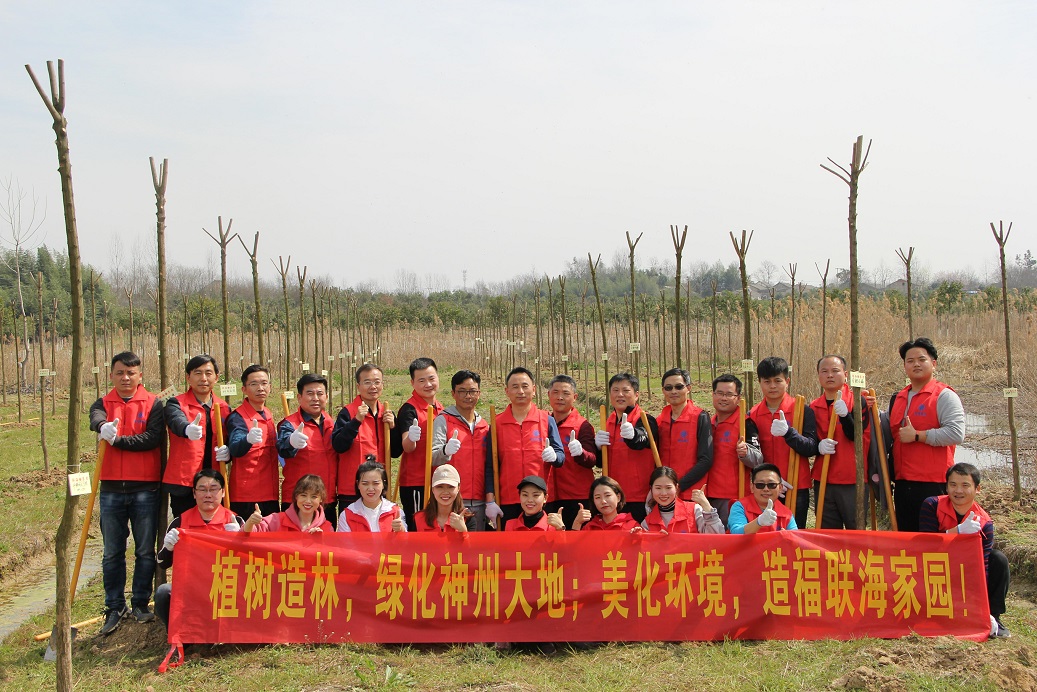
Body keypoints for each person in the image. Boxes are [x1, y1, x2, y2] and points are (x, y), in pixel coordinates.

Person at [89, 351, 164, 635]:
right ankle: (114, 606)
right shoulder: (102, 403)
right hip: (110, 488)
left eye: (131, 373)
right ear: (111, 375)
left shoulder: (153, 403)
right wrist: (102, 426)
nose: (125, 378)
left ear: (140, 375)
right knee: (112, 552)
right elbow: (95, 417)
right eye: (120, 373)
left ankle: (140, 603)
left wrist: (117, 440)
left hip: (145, 487)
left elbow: (151, 438)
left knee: (144, 550)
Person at [918, 462, 1011, 638]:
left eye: (965, 485)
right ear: (946, 487)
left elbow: (982, 565)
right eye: (953, 485)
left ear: (977, 489)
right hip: (935, 567)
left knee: (998, 559)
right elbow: (925, 546)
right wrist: (956, 532)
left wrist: (981, 607)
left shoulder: (984, 522)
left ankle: (993, 615)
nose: (958, 491)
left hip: (965, 570)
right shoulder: (931, 505)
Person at [888, 337, 965, 532]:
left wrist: (918, 435)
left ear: (934, 363)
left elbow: (956, 433)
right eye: (910, 361)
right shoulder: (898, 397)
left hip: (933, 483)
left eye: (922, 359)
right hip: (903, 482)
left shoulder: (944, 395)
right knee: (907, 538)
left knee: (933, 538)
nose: (916, 364)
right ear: (904, 366)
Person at [155, 469, 244, 627]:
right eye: (202, 489)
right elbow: (162, 563)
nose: (208, 495)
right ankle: (179, 635)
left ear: (223, 492)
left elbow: (251, 564)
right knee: (163, 593)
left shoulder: (234, 521)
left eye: (213, 489)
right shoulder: (180, 522)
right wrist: (169, 547)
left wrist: (241, 541)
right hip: (191, 589)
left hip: (225, 588)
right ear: (194, 493)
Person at [748, 357, 817, 529]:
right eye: (767, 381)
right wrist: (773, 481)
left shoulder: (802, 410)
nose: (772, 386)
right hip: (765, 487)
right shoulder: (752, 415)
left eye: (777, 381)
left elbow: (811, 447)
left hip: (796, 486)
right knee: (766, 533)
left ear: (787, 381)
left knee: (795, 533)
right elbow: (753, 454)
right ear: (760, 383)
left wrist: (789, 433)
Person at [490, 367, 565, 524]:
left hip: (541, 498)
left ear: (534, 390)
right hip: (509, 498)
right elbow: (490, 465)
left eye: (525, 386)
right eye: (515, 387)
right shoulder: (497, 423)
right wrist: (490, 500)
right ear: (507, 391)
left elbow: (560, 457)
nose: (520, 391)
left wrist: (554, 456)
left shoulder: (547, 420)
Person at [162, 355, 231, 518]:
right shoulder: (176, 403)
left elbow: (229, 438)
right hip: (184, 482)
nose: (203, 378)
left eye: (208, 373)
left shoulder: (224, 407)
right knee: (185, 525)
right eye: (198, 373)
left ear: (216, 377)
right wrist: (187, 429)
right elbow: (176, 421)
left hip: (214, 481)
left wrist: (229, 452)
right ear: (188, 377)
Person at [810, 355, 872, 530]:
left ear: (845, 374)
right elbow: (810, 441)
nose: (830, 375)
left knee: (856, 530)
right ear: (818, 375)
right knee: (828, 533)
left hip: (853, 479)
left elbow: (856, 436)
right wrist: (818, 447)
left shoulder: (857, 401)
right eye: (824, 371)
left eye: (835, 371)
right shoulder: (814, 406)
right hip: (824, 478)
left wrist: (845, 416)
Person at [431, 370, 494, 530]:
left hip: (479, 501)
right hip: (451, 500)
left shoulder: (484, 426)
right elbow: (432, 457)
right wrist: (445, 451)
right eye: (462, 391)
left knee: (476, 544)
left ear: (479, 393)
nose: (468, 396)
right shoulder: (443, 420)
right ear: (453, 393)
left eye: (472, 391)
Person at [593, 372, 659, 524]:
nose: (620, 395)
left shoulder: (645, 419)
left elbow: (642, 439)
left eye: (626, 390)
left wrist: (633, 435)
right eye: (615, 390)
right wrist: (597, 447)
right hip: (613, 498)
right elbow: (601, 462)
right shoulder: (607, 422)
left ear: (636, 395)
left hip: (639, 497)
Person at [391, 358, 445, 531]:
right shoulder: (409, 409)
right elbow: (407, 446)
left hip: (437, 480)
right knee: (418, 527)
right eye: (421, 380)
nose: (428, 384)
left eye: (431, 378)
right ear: (412, 383)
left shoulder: (441, 408)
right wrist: (412, 438)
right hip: (416, 482)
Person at [277, 373, 338, 525]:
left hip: (326, 500)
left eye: (320, 393)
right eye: (310, 393)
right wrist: (291, 442)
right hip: (298, 502)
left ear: (326, 397)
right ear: (299, 397)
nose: (315, 398)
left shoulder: (332, 423)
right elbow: (283, 448)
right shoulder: (290, 424)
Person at [332, 364, 395, 509]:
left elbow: (396, 451)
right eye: (367, 382)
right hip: (352, 490)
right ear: (358, 386)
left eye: (377, 382)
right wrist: (356, 421)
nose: (373, 386)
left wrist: (393, 428)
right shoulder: (348, 412)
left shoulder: (386, 413)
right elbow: (338, 445)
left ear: (382, 385)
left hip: (379, 488)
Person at [226, 364, 281, 520]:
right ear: (244, 389)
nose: (260, 388)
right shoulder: (238, 417)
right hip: (247, 495)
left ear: (270, 387)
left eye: (264, 383)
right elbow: (235, 447)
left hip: (270, 492)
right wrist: (247, 439)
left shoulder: (268, 413)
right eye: (254, 384)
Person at [707, 374, 763, 527]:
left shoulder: (745, 424)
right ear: (713, 395)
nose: (723, 398)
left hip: (732, 497)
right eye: (719, 393)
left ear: (738, 398)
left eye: (729, 394)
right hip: (707, 494)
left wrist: (746, 453)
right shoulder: (708, 423)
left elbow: (758, 459)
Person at [544, 375, 598, 529]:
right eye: (555, 392)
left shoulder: (582, 425)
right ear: (548, 395)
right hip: (549, 495)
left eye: (566, 393)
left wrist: (581, 453)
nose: (560, 397)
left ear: (575, 397)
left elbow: (592, 459)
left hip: (576, 496)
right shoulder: (542, 423)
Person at [659, 368, 713, 499]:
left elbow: (706, 460)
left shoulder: (700, 417)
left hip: (692, 494)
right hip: (664, 494)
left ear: (688, 388)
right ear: (663, 391)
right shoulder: (659, 421)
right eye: (668, 388)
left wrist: (680, 485)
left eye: (679, 387)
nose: (673, 391)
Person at [637, 466, 724, 534]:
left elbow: (717, 537)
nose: (663, 493)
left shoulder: (694, 510)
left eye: (668, 488)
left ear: (676, 487)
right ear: (651, 489)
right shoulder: (647, 522)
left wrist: (706, 505)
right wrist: (637, 538)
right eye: (658, 488)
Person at [244, 473, 333, 533]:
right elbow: (247, 535)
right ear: (296, 496)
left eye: (314, 497)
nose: (308, 501)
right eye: (303, 495)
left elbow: (332, 553)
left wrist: (320, 541)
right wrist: (251, 522)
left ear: (321, 499)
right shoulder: (276, 520)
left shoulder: (327, 528)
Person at [729, 463, 799, 534]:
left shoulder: (786, 514)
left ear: (780, 488)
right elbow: (736, 533)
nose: (766, 489)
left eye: (772, 485)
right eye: (760, 485)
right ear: (752, 487)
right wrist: (759, 522)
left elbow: (796, 537)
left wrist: (786, 537)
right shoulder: (740, 506)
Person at [338, 461, 406, 532]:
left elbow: (405, 538)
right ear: (358, 484)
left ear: (383, 484)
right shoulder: (347, 515)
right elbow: (344, 539)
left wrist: (401, 530)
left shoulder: (395, 512)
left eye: (376, 483)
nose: (370, 489)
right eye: (365, 484)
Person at [571, 476, 639, 531]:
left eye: (607, 495)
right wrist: (577, 523)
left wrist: (637, 538)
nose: (603, 501)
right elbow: (574, 544)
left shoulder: (632, 526)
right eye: (598, 497)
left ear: (618, 497)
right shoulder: (590, 527)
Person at [415, 464, 469, 532]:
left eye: (451, 487)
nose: (445, 492)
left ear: (458, 488)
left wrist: (463, 531)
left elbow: (474, 539)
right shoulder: (418, 519)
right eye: (440, 487)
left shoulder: (468, 519)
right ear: (432, 489)